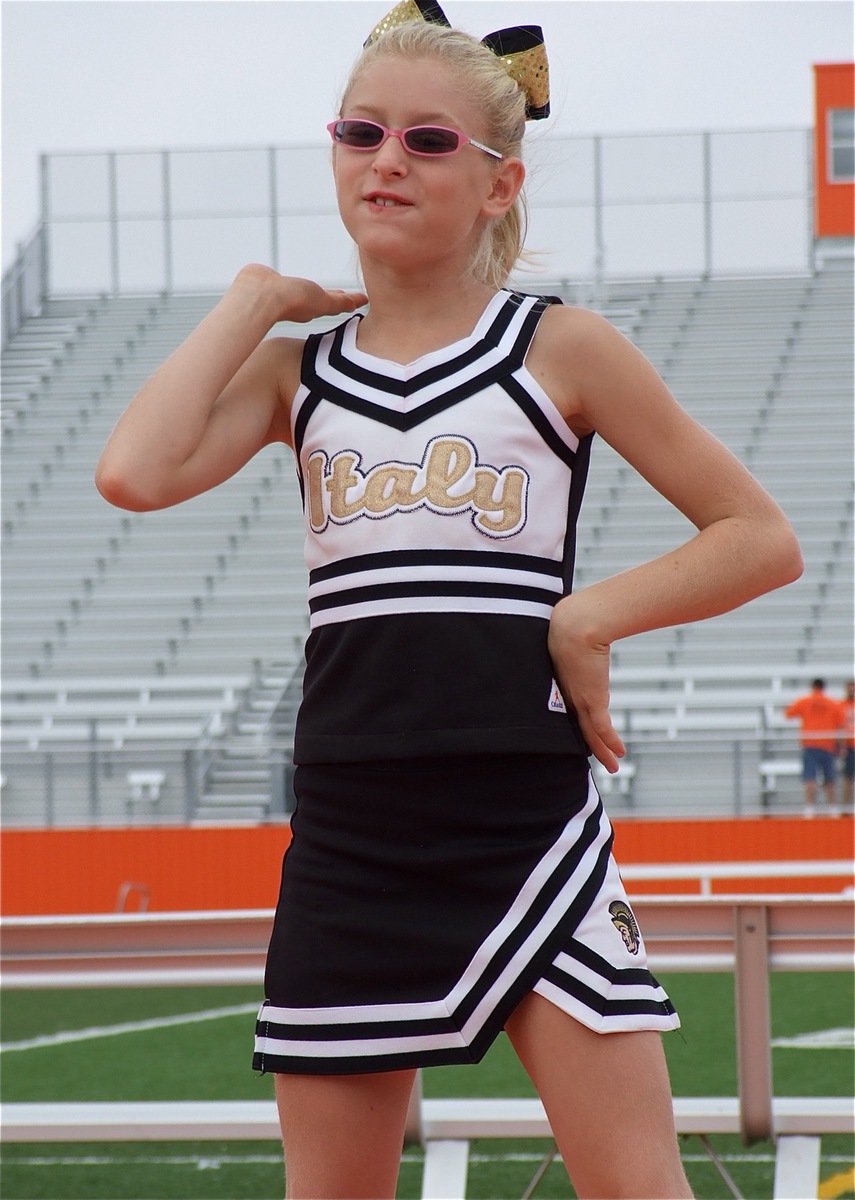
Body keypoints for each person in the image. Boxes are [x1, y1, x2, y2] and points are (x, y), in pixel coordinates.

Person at [95, 6, 803, 1197]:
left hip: (527, 827)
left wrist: (586, 618)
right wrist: (250, 303)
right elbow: (134, 472)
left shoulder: (559, 348)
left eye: (429, 141)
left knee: (639, 1187)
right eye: (360, 131)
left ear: (498, 183)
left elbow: (759, 536)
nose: (386, 158)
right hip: (349, 837)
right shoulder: (298, 373)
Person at [785, 678, 845, 815]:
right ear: (824, 687)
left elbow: (788, 714)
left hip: (810, 744)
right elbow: (841, 725)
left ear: (812, 687)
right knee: (830, 779)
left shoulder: (805, 701)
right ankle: (832, 808)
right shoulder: (832, 704)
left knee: (810, 778)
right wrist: (841, 746)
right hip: (827, 744)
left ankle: (810, 808)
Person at [841, 679, 854, 811]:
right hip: (849, 746)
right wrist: (841, 745)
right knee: (848, 778)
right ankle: (846, 808)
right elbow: (839, 726)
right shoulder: (841, 705)